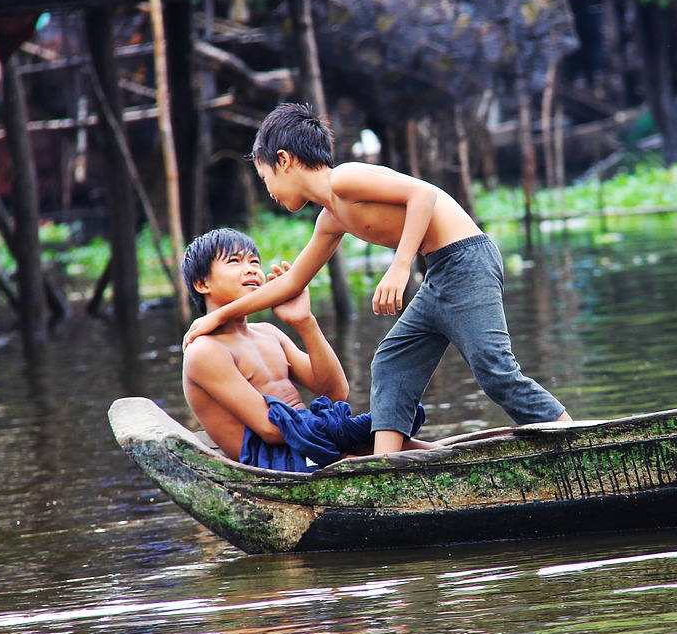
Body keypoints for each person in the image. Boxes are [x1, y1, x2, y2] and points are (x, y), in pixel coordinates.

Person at [183, 103, 571, 455]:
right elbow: (289, 284)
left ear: (284, 160)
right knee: (391, 362)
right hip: (439, 271)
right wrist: (217, 316)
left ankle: (571, 438)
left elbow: (423, 195)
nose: (267, 190)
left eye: (264, 176)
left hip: (466, 260)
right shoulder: (330, 219)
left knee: (494, 371)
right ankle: (387, 464)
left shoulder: (345, 179)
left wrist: (401, 266)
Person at [180, 227, 433, 472]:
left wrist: (305, 321)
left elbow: (336, 391)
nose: (251, 270)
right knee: (402, 450)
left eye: (254, 261)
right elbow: (270, 430)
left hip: (309, 440)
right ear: (202, 284)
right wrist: (340, 432)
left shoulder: (269, 333)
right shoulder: (205, 350)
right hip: (277, 459)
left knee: (416, 446)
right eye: (235, 261)